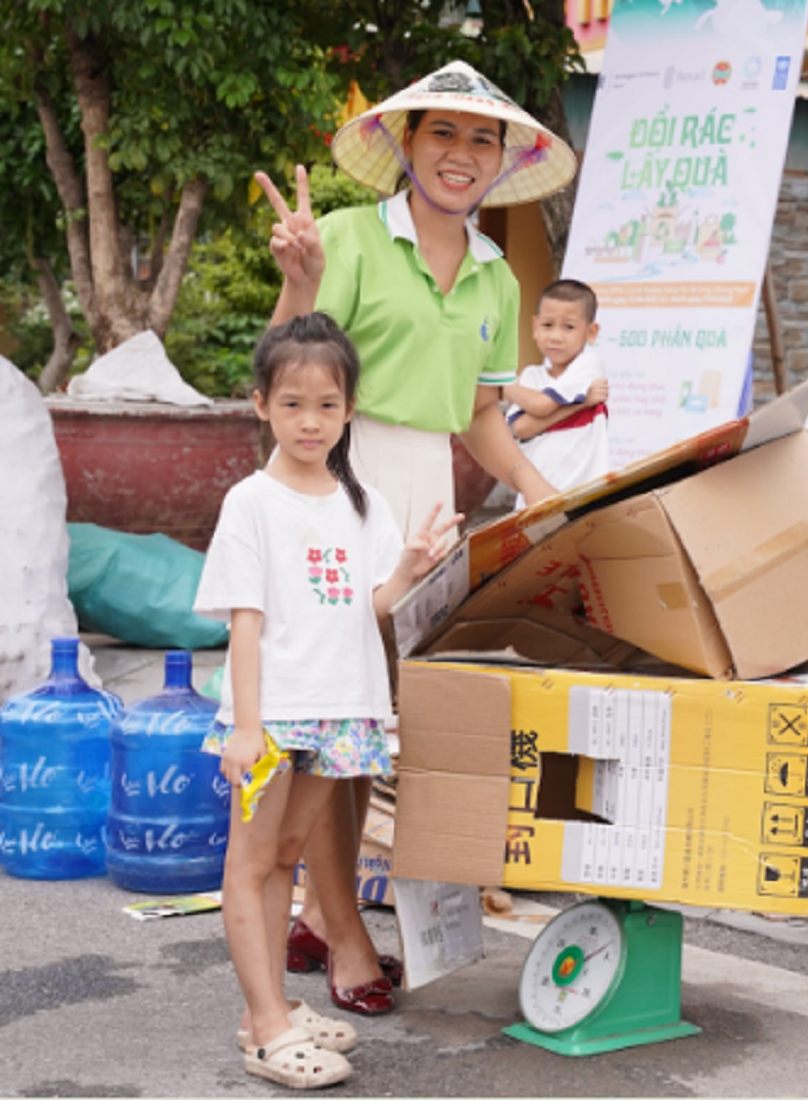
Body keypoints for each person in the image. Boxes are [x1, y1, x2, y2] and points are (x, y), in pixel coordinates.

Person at [253, 59, 577, 1014]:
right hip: (333, 484)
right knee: (330, 717)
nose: (461, 154)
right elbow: (284, 376)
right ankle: (347, 936)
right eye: (443, 132)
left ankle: (319, 909)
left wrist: (543, 489)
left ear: (504, 160)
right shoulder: (347, 240)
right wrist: (299, 282)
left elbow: (481, 419)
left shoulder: (494, 277)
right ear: (406, 143)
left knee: (368, 725)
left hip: (426, 502)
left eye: (483, 139)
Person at [195, 313, 460, 1088]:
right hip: (272, 716)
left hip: (343, 712)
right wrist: (245, 726)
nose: (310, 421)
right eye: (292, 404)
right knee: (250, 864)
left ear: (349, 409)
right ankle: (267, 1025)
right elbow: (246, 620)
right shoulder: (251, 501)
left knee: (286, 859)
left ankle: (265, 1010)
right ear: (259, 405)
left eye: (327, 405)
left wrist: (411, 566)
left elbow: (372, 608)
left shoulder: (363, 501)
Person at [503, 278, 611, 505]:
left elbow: (541, 405)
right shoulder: (532, 375)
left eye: (569, 327)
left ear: (591, 332)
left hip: (582, 494)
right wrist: (582, 402)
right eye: (547, 325)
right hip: (535, 497)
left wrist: (506, 385)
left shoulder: (588, 364)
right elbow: (521, 428)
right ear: (535, 327)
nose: (555, 336)